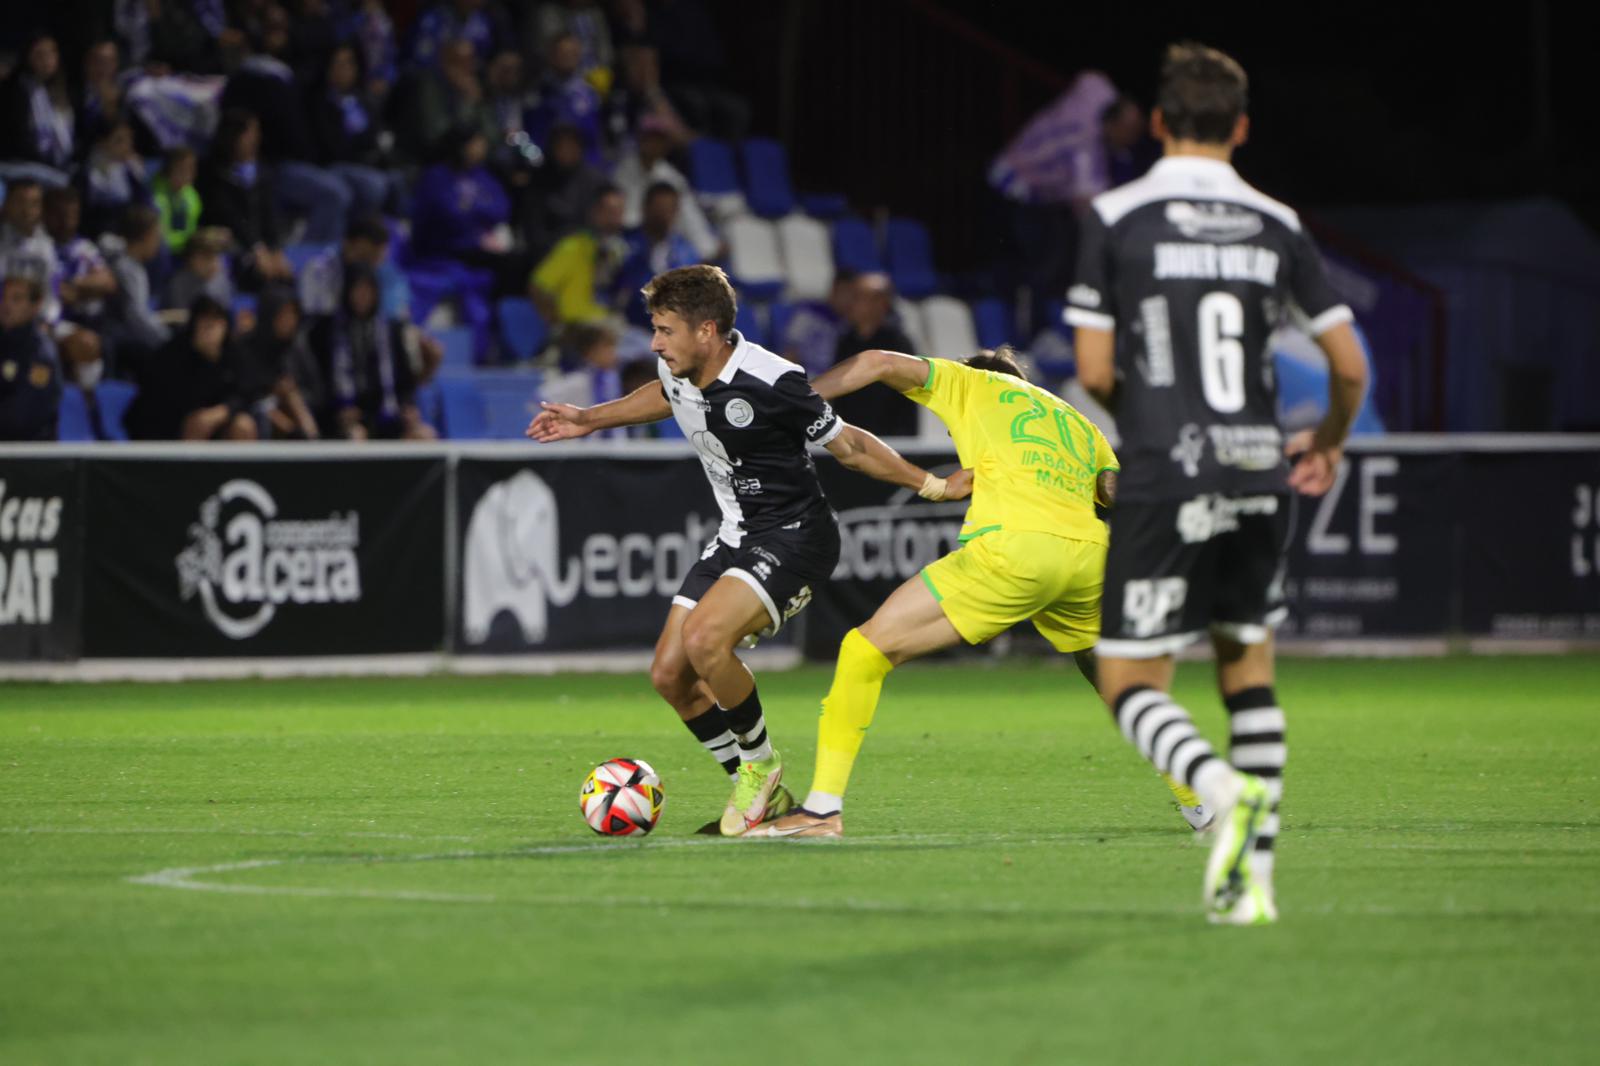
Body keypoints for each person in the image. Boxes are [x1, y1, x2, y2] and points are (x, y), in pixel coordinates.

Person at [1067, 42, 1369, 925]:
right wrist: (1331, 442)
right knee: (1248, 669)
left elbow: (1091, 368)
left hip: (1167, 469)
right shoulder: (1277, 221)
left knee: (1130, 681)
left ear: (1158, 123)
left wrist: (1158, 411)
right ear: (1241, 127)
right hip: (1257, 465)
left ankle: (1212, 786)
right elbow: (1347, 366)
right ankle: (1252, 887)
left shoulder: (1118, 213)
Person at [527, 264, 971, 835]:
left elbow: (852, 446)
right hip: (737, 534)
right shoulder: (681, 370)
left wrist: (932, 484)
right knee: (669, 675)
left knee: (706, 638)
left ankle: (759, 765)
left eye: (665, 330)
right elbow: (664, 396)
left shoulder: (772, 381)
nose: (656, 343)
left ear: (706, 331)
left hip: (797, 536)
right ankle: (771, 796)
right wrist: (589, 420)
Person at [309, 265, 434, 441]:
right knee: (355, 437)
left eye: (368, 291)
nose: (363, 297)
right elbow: (320, 380)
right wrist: (338, 410)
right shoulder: (327, 331)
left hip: (387, 413)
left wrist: (408, 407)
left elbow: (405, 381)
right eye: (358, 290)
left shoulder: (391, 330)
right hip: (345, 415)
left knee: (425, 436)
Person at [126, 295, 256, 441]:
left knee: (244, 425)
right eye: (205, 323)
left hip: (214, 419)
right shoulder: (173, 354)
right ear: (194, 325)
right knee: (197, 423)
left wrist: (220, 412)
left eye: (216, 323)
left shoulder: (233, 353)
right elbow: (165, 401)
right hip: (168, 423)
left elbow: (245, 393)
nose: (210, 330)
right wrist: (205, 362)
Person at [197, 109, 293, 289]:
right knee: (257, 272)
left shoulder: (262, 172)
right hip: (230, 243)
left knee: (285, 274)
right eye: (250, 132)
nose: (255, 138)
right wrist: (256, 249)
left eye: (256, 132)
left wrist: (276, 251)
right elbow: (227, 215)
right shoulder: (213, 172)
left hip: (256, 245)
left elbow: (269, 214)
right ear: (234, 135)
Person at [611, 112, 717, 259]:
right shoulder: (621, 171)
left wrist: (708, 249)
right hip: (628, 241)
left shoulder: (673, 177)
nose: (653, 144)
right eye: (650, 138)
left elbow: (689, 217)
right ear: (640, 139)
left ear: (666, 145)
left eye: (659, 140)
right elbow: (619, 218)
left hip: (663, 242)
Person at [528, 183, 627, 328]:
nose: (614, 221)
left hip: (608, 326)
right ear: (594, 212)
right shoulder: (573, 246)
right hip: (578, 329)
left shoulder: (621, 251)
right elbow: (537, 288)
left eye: (619, 213)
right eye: (609, 212)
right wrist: (558, 325)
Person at [831, 273, 918, 437]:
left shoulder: (898, 343)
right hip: (850, 439)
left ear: (881, 304)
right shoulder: (845, 341)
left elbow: (905, 399)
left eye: (859, 297)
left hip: (893, 440)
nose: (850, 303)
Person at [237, 284, 320, 439]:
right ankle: (297, 438)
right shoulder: (246, 346)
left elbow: (317, 392)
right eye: (283, 314)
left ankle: (308, 441)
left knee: (293, 398)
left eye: (293, 314)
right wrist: (273, 391)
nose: (289, 320)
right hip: (256, 413)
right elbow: (243, 392)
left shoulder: (298, 348)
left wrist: (290, 392)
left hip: (297, 410)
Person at [613, 181, 698, 328]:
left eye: (670, 209)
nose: (664, 215)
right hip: (625, 324)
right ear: (645, 208)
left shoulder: (685, 251)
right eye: (659, 208)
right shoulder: (624, 242)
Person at [0, 273, 62, 441]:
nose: (6, 305)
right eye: (3, 297)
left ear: (35, 306)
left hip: (30, 456)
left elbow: (23, 417)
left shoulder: (40, 354)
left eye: (16, 299)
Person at [780, 269, 854, 378]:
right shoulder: (808, 313)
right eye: (847, 293)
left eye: (854, 295)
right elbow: (790, 352)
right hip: (806, 381)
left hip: (836, 382)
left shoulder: (849, 324)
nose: (850, 299)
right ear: (835, 289)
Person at [162, 227, 235, 311]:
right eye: (207, 257)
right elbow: (180, 318)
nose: (214, 263)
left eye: (216, 257)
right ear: (191, 260)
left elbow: (226, 314)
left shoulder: (222, 281)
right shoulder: (178, 284)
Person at [152, 146, 202, 255]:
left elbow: (190, 230)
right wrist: (191, 241)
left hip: (185, 250)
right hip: (161, 251)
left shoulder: (192, 195)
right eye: (183, 168)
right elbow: (161, 237)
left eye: (192, 168)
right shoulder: (156, 195)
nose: (190, 174)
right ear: (169, 169)